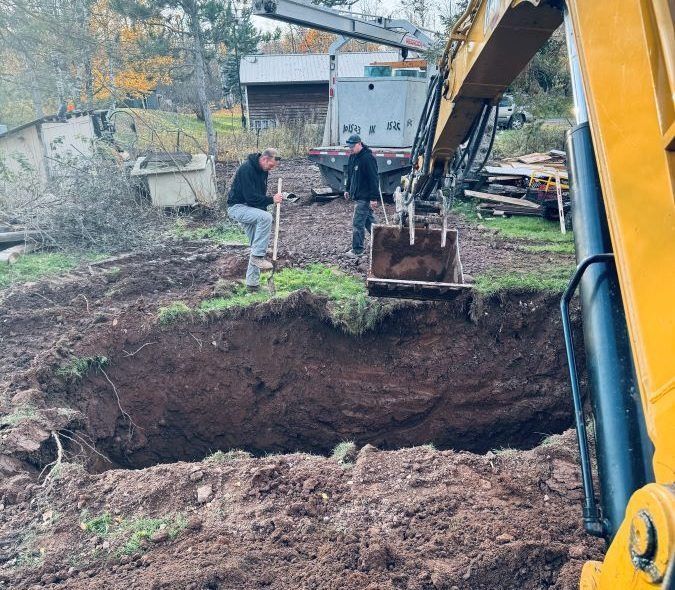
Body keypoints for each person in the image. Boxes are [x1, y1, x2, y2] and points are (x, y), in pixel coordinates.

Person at [227, 148, 283, 291]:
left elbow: (258, 197)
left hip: (251, 209)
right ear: (264, 159)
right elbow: (250, 197)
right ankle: (258, 257)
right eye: (271, 166)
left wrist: (264, 206)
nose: (271, 169)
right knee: (266, 218)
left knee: (257, 245)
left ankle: (252, 285)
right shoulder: (246, 169)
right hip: (238, 207)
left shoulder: (263, 171)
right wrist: (272, 199)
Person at [343, 134, 379, 258]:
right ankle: (383, 241)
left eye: (352, 146)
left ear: (360, 144)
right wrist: (347, 189)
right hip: (357, 195)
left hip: (365, 197)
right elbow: (350, 174)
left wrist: (374, 198)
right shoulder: (353, 157)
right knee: (370, 222)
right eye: (349, 147)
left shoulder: (368, 158)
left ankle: (357, 250)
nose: (350, 149)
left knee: (358, 223)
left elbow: (374, 179)